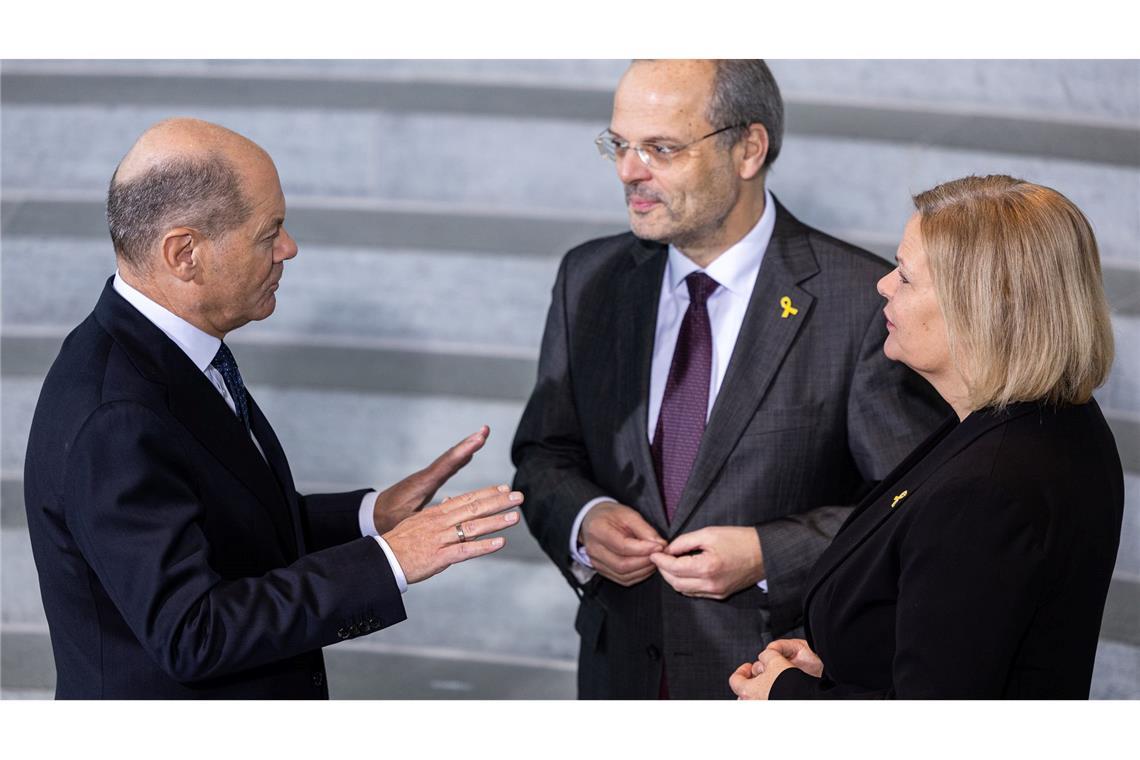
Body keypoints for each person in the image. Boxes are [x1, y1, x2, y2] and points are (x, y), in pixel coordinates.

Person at [23, 118, 522, 699]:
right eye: (271, 232)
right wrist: (390, 560)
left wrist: (371, 517)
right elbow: (194, 632)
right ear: (185, 253)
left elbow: (225, 531)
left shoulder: (164, 353)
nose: (289, 248)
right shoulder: (117, 413)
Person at [510, 59, 950, 699]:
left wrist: (771, 554)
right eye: (620, 145)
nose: (629, 171)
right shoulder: (589, 280)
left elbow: (916, 505)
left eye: (661, 148)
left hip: (774, 683)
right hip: (619, 678)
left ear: (749, 148)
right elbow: (545, 454)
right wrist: (585, 518)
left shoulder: (861, 300)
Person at [730, 175, 1124, 699]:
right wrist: (839, 667)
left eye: (907, 277)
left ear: (981, 305)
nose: (883, 285)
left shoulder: (987, 489)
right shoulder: (1045, 422)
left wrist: (787, 699)